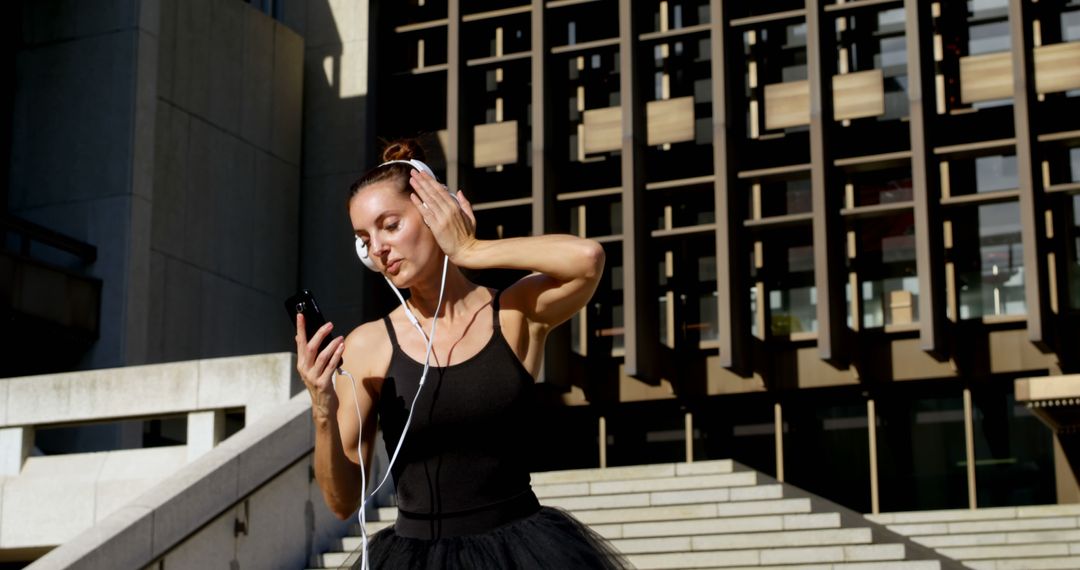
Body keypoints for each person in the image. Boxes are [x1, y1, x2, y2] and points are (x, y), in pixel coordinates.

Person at [295, 139, 631, 569]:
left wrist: (471, 248)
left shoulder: (514, 313)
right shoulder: (369, 344)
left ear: (438, 213)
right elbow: (342, 503)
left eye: (390, 225)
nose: (377, 248)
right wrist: (323, 410)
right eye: (364, 238)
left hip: (523, 554)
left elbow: (588, 258)